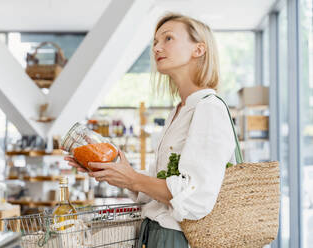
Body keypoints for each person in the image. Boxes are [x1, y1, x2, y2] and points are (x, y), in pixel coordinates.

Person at [65, 13, 236, 248]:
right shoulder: (180, 111)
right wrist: (119, 173)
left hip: (178, 238)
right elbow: (158, 185)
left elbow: (196, 197)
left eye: (168, 39)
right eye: (155, 42)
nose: (157, 47)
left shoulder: (209, 109)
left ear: (199, 49)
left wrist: (133, 179)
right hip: (155, 233)